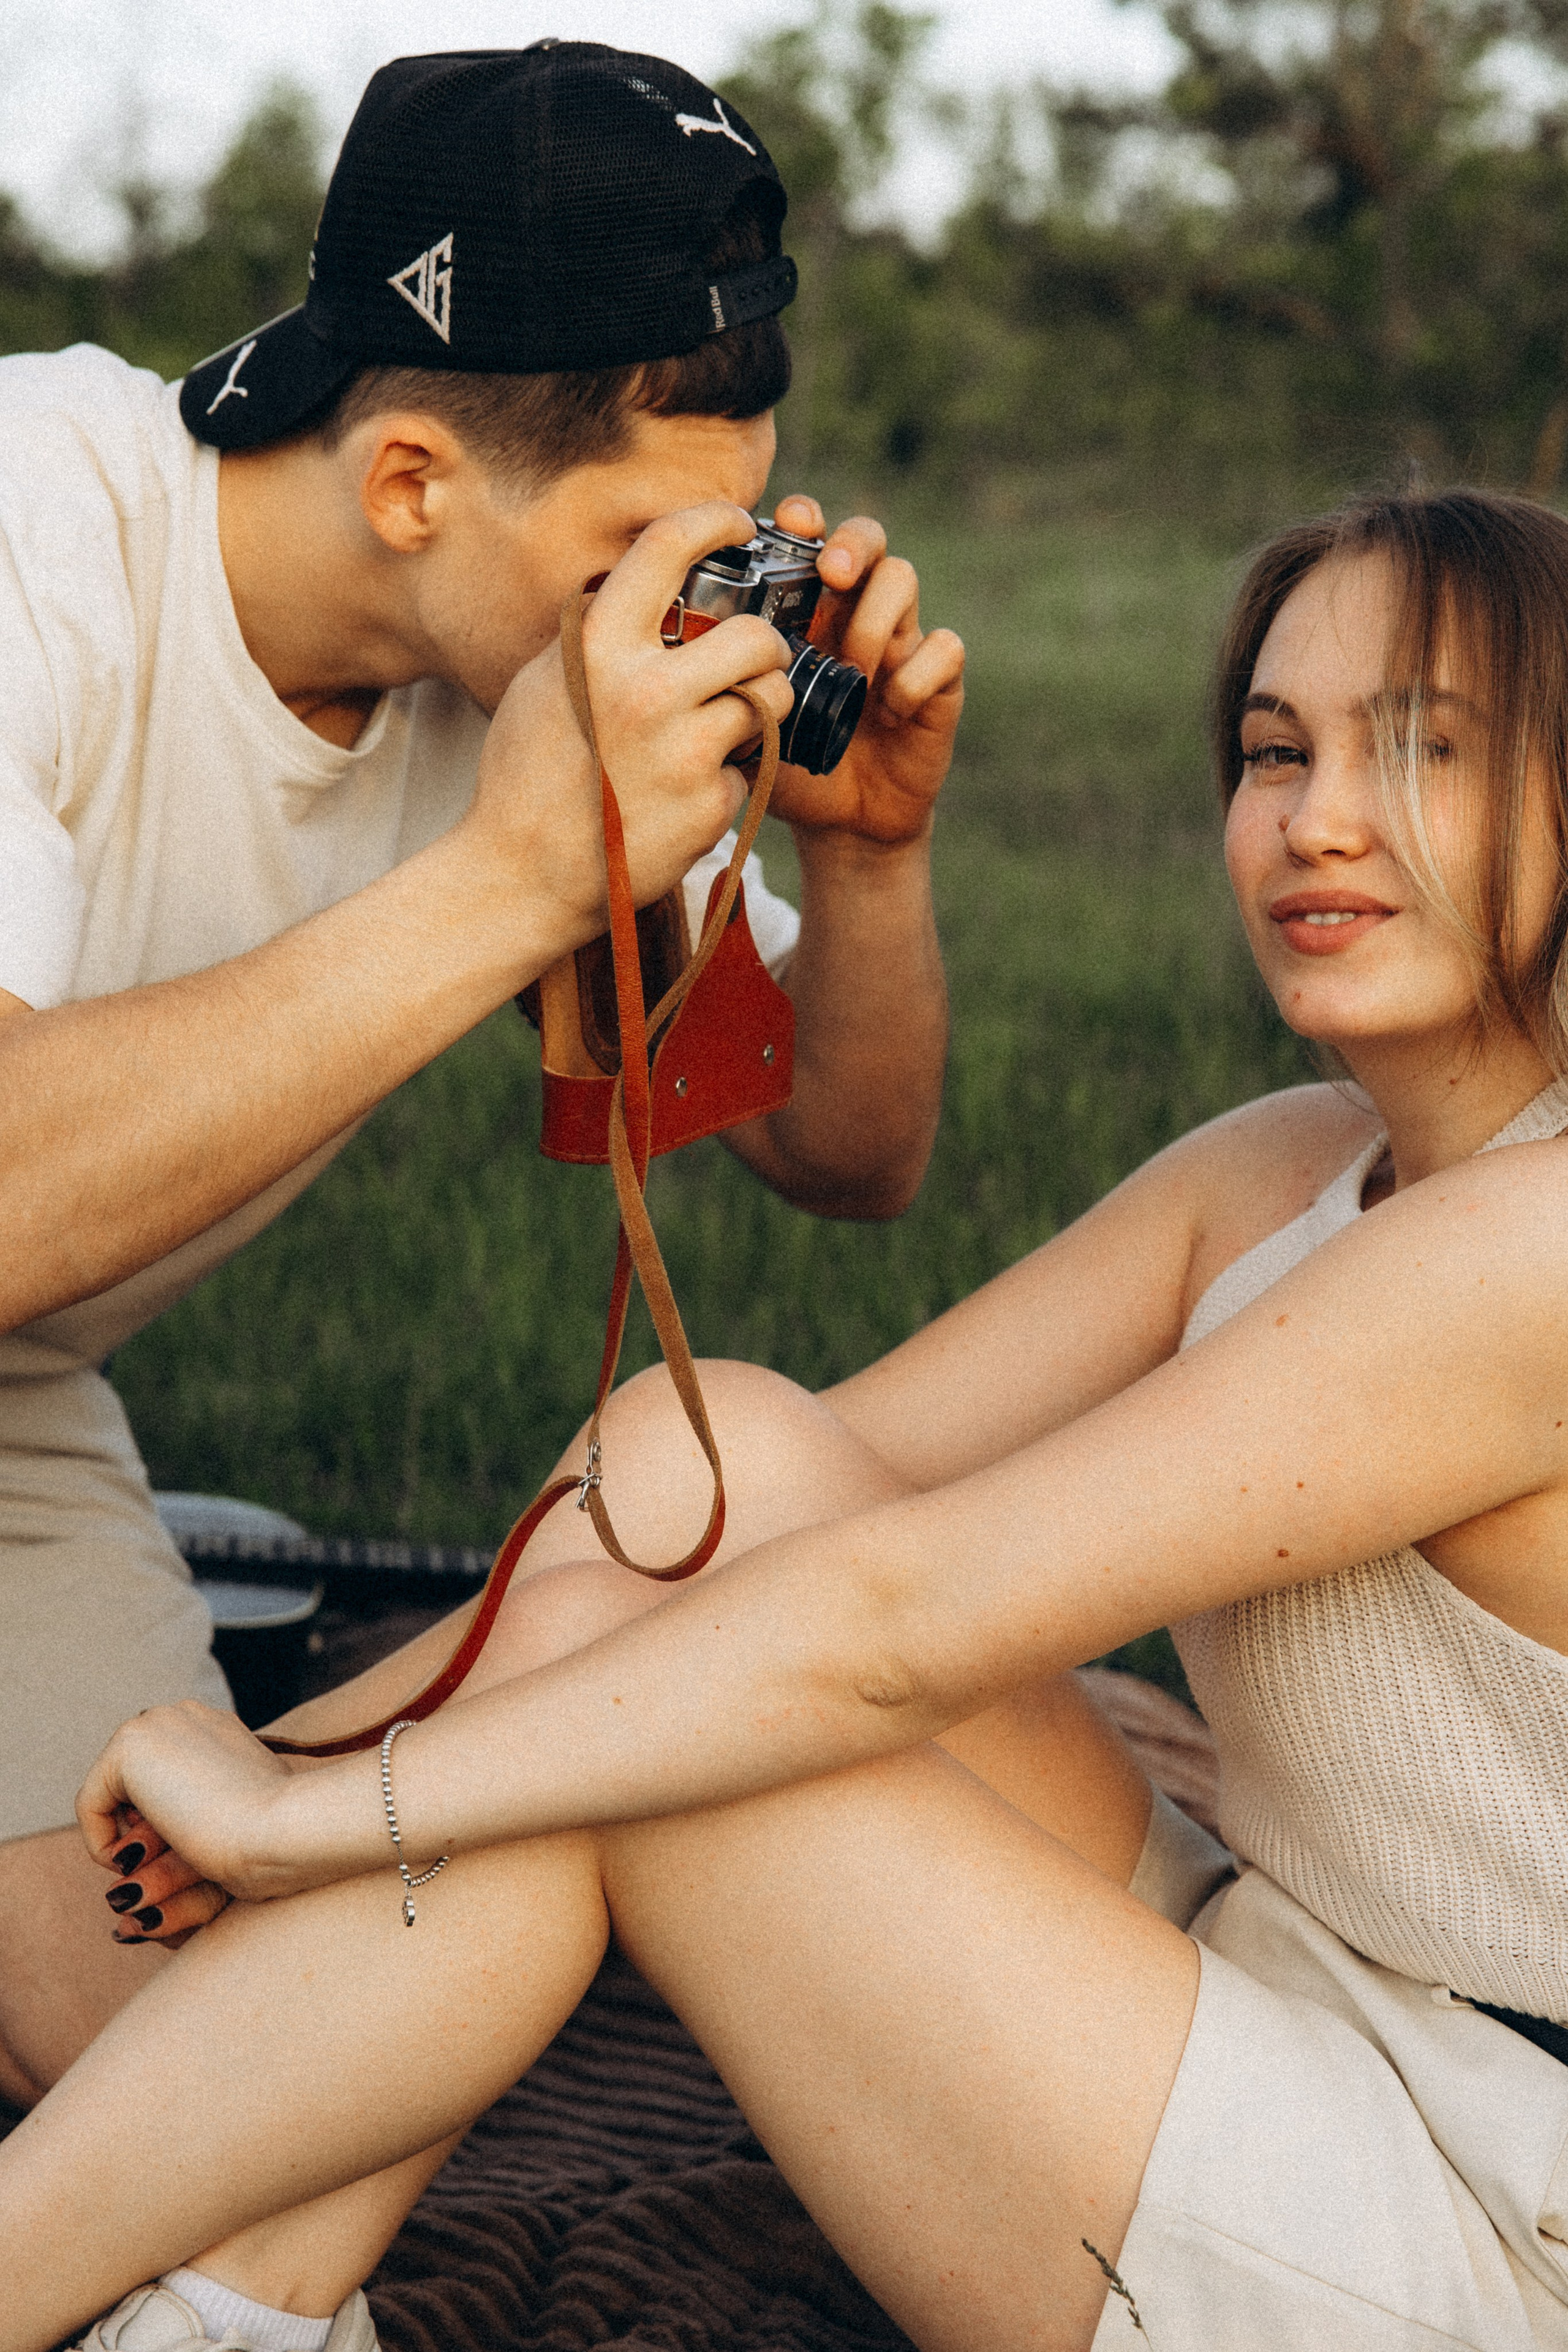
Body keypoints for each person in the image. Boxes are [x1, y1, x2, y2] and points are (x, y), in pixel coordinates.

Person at [7, 482, 1567, 2352]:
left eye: (1429, 749)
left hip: (1490, 2206)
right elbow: (738, 1503)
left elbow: (884, 1632)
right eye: (1273, 748)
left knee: (686, 1769)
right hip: (1299, 1972)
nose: (1317, 819)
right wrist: (297, 1779)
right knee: (701, 1459)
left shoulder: (1534, 1254)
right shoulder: (1299, 1167)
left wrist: (311, 1814)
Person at [0, 43, 963, 2124]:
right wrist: (515, 870)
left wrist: (860, 860)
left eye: (731, 552)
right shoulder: (38, 533)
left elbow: (846, 1156)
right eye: (648, 550)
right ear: (414, 482)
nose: (690, 617)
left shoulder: (514, 667)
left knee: (195, 2105)